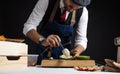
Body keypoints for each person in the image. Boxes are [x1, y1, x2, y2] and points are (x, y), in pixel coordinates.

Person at [23, 0, 91, 64]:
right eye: (70, 6)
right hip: (44, 54)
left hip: (66, 59)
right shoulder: (46, 1)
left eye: (76, 8)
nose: (71, 10)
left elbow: (81, 39)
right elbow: (28, 27)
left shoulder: (83, 11)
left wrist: (77, 50)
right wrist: (42, 40)